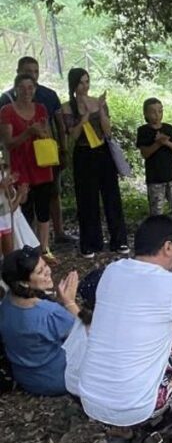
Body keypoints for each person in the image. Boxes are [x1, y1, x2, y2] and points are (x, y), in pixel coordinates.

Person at [78, 215, 172, 443]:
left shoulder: (112, 272)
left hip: (93, 401)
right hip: (138, 404)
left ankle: (121, 429)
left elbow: (166, 296)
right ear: (167, 247)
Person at [60, 68, 129, 258]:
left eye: (87, 81)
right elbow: (72, 135)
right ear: (74, 84)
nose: (85, 86)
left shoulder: (97, 103)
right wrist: (83, 119)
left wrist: (102, 110)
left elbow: (108, 131)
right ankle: (90, 243)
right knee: (86, 199)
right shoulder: (67, 107)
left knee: (111, 196)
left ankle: (119, 240)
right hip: (83, 153)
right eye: (81, 82)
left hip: (103, 151)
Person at [2, 57, 67, 243]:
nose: (27, 92)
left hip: (41, 163)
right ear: (16, 89)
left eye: (30, 88)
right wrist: (28, 132)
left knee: (43, 206)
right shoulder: (6, 110)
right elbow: (8, 143)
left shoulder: (41, 108)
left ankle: (44, 247)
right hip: (20, 165)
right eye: (22, 88)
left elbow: (48, 133)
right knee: (24, 206)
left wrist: (44, 134)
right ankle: (26, 246)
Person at [0, 247, 78, 395]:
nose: (48, 271)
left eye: (45, 265)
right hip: (58, 379)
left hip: (25, 377)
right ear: (23, 283)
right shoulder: (48, 313)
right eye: (40, 271)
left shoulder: (6, 302)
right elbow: (87, 334)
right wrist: (70, 303)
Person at [136, 97, 172, 229]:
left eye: (160, 111)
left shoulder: (168, 128)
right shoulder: (143, 131)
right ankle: (157, 235)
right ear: (146, 114)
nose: (157, 115)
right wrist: (158, 143)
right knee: (157, 210)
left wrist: (166, 142)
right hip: (155, 177)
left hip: (171, 175)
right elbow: (145, 153)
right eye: (153, 112)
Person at [63, 266, 103, 397]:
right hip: (103, 396)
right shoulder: (111, 333)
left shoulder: (85, 322)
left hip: (76, 390)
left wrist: (69, 302)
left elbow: (83, 320)